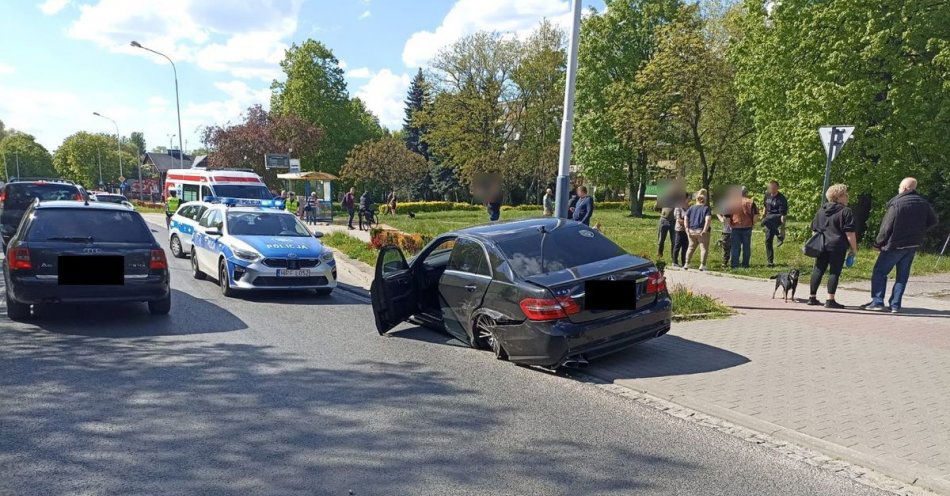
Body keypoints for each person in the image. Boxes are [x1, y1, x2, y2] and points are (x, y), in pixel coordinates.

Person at [862, 177, 938, 313]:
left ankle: (878, 301)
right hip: (912, 245)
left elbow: (886, 227)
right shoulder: (923, 203)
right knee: (902, 276)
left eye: (899, 187)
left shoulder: (897, 203)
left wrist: (878, 243)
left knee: (880, 272)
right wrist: (919, 231)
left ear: (904, 188)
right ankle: (895, 305)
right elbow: (933, 221)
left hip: (895, 245)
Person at [807, 184, 859, 308]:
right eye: (845, 194)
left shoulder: (821, 210)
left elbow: (814, 229)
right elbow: (850, 233)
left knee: (818, 269)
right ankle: (830, 300)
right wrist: (854, 249)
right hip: (837, 245)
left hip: (822, 244)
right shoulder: (846, 211)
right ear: (839, 197)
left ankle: (812, 297)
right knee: (834, 271)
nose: (847, 197)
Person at [726, 186, 758, 268]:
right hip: (747, 227)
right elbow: (755, 215)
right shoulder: (751, 202)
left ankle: (734, 265)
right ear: (746, 193)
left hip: (735, 227)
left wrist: (729, 225)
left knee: (735, 247)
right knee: (746, 247)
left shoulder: (732, 202)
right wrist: (753, 224)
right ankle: (745, 265)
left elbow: (727, 216)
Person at [762, 180, 788, 267]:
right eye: (769, 187)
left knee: (766, 220)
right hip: (768, 219)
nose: (770, 189)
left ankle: (779, 235)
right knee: (768, 240)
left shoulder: (781, 198)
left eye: (772, 187)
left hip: (777, 217)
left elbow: (783, 215)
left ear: (777, 188)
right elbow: (765, 207)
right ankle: (770, 262)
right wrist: (763, 215)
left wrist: (782, 227)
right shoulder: (767, 195)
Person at [684, 192, 712, 271]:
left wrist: (686, 228)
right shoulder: (706, 208)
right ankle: (702, 265)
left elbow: (686, 218)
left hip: (691, 231)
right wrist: (705, 230)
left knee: (690, 247)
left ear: (697, 199)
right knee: (703, 249)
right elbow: (708, 219)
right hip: (701, 231)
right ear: (704, 200)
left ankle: (686, 263)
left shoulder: (691, 207)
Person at [672, 193, 689, 267]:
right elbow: (678, 219)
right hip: (679, 230)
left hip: (686, 230)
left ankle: (684, 262)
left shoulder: (689, 207)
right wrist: (687, 224)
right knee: (677, 245)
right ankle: (674, 261)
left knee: (685, 247)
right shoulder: (678, 207)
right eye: (688, 198)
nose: (690, 200)